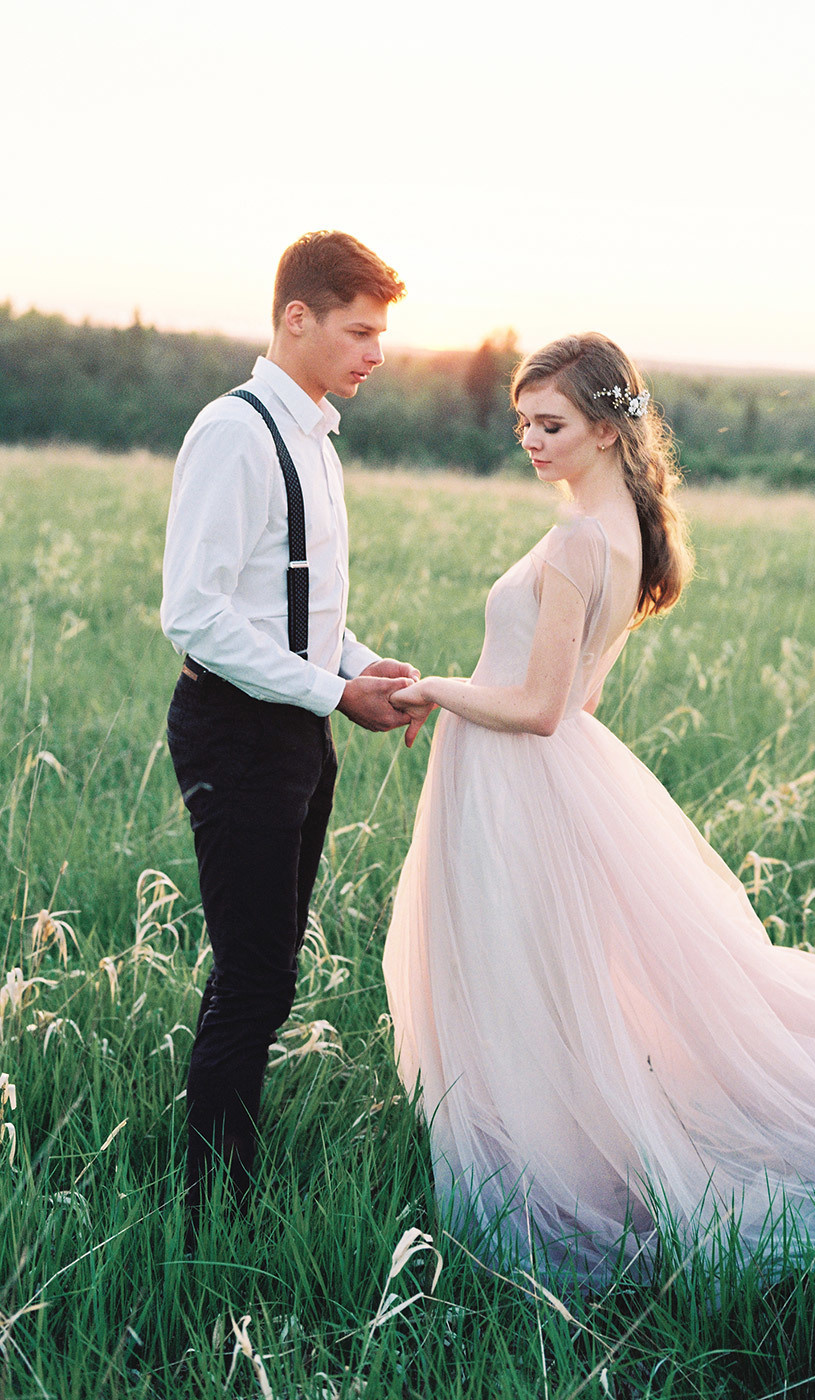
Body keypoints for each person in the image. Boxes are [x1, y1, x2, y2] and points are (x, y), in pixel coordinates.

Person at [383, 332, 815, 1285]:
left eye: (552, 422)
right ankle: (575, 1148)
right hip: (551, 781)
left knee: (530, 983)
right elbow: (581, 697)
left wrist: (439, 688)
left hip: (520, 780)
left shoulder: (578, 540)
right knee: (560, 983)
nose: (530, 439)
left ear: (610, 429)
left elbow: (536, 709)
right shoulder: (626, 532)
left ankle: (555, 1183)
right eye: (522, 421)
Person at [161, 230, 428, 1227]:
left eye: (382, 334)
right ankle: (206, 1204)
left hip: (293, 732)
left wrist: (360, 665)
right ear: (295, 318)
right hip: (236, 731)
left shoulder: (312, 435)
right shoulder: (235, 432)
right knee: (253, 974)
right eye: (360, 330)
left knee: (269, 970)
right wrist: (332, 694)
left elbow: (292, 603)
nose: (376, 353)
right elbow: (194, 611)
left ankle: (236, 1173)